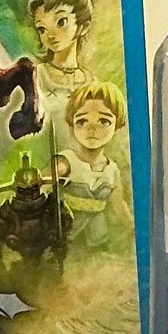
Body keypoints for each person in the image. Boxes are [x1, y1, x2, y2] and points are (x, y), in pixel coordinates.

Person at [54, 81, 128, 250]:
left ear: (117, 128)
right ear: (72, 127)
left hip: (97, 233)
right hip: (68, 229)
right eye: (82, 121)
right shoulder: (67, 161)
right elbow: (45, 180)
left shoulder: (111, 170)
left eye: (103, 121)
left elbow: (119, 205)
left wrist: (132, 228)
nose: (92, 128)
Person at [27, 0, 94, 127]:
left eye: (61, 22)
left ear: (83, 26)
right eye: (42, 29)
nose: (50, 35)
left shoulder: (91, 82)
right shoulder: (36, 76)